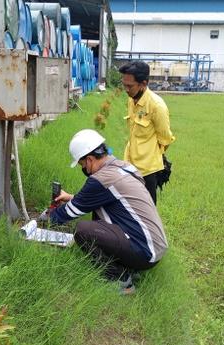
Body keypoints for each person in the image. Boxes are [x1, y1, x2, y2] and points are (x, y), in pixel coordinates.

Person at [40, 129, 169, 294]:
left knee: (83, 231)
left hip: (145, 252)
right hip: (153, 246)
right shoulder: (124, 167)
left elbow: (68, 214)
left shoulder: (101, 180)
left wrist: (46, 218)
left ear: (90, 159)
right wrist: (71, 197)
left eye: (82, 164)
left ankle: (121, 281)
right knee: (98, 213)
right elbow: (111, 200)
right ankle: (129, 266)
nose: (84, 168)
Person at [119, 61, 176, 205]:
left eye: (130, 86)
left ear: (143, 83)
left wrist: (152, 157)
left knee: (147, 212)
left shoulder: (157, 106)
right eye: (124, 84)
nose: (126, 89)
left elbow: (165, 139)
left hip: (147, 171)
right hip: (129, 165)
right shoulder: (132, 99)